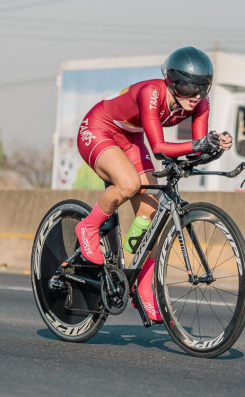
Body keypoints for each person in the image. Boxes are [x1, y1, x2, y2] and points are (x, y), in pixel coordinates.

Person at [74, 46, 232, 322]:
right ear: (172, 82)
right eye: (187, 87)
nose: (196, 97)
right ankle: (87, 225)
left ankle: (134, 279)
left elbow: (197, 150)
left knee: (150, 211)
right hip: (99, 128)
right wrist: (198, 144)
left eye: (202, 89)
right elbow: (159, 147)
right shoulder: (153, 92)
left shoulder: (200, 105)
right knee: (129, 183)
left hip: (131, 139)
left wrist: (215, 145)